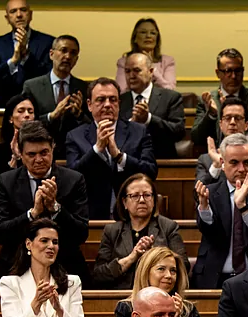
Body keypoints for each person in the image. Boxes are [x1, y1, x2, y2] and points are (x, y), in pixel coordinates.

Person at [0, 120, 89, 285]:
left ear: (53, 149)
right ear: (21, 155)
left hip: (65, 265)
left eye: (44, 152)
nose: (39, 159)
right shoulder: (6, 181)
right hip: (17, 266)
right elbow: (0, 233)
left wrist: (55, 208)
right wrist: (33, 213)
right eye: (31, 154)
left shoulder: (74, 180)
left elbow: (81, 233)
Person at [194, 132, 248, 289]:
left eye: (247, 162)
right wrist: (204, 208)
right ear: (222, 163)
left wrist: (244, 208)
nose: (241, 169)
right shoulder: (210, 193)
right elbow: (211, 234)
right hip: (214, 276)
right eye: (234, 162)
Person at [0, 218, 86, 317]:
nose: (51, 246)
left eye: (55, 242)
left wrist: (60, 311)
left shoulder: (72, 283)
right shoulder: (10, 284)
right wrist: (35, 305)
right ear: (28, 244)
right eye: (44, 240)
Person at [65, 79, 156, 223]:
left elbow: (151, 171)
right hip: (90, 216)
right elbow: (71, 178)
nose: (107, 104)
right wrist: (96, 150)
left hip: (131, 217)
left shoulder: (139, 131)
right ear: (89, 105)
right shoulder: (75, 136)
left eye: (112, 100)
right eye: (100, 100)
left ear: (119, 103)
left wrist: (119, 156)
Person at [94, 173, 186, 289]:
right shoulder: (112, 231)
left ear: (153, 200)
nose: (142, 200)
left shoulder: (168, 227)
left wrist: (152, 255)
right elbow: (99, 275)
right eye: (135, 196)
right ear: (124, 202)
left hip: (158, 296)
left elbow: (183, 266)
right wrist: (131, 258)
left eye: (147, 195)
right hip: (121, 297)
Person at [113, 248, 201, 317]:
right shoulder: (127, 307)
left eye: (173, 270)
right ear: (146, 272)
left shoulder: (188, 309)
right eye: (161, 269)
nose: (169, 275)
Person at [0, 0, 54, 109]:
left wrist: (26, 56)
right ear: (7, 18)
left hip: (38, 108)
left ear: (30, 15)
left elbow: (49, 77)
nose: (19, 15)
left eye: (23, 10)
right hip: (5, 108)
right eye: (13, 11)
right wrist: (12, 61)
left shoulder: (48, 42)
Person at [190, 48, 248, 146]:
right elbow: (196, 138)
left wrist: (238, 117)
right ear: (218, 73)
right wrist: (212, 114)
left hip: (246, 153)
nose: (234, 76)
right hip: (216, 154)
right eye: (228, 71)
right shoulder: (207, 100)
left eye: (238, 71)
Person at [21, 35, 88, 144]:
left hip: (73, 150)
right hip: (40, 147)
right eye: (63, 50)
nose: (68, 56)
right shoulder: (32, 86)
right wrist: (51, 116)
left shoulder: (83, 88)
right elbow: (25, 123)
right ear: (51, 54)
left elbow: (92, 125)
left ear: (76, 59)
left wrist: (79, 115)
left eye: (73, 53)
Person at [195, 97, 248, 187]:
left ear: (246, 125)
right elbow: (198, 196)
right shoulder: (206, 160)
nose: (232, 122)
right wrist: (216, 166)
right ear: (220, 125)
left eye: (238, 118)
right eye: (227, 118)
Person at [120, 52, 185, 160]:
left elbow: (178, 132)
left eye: (137, 70)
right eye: (127, 71)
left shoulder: (170, 97)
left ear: (151, 72)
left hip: (161, 162)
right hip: (127, 163)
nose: (131, 76)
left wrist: (149, 119)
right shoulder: (119, 100)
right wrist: (131, 123)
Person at [116, 18, 176, 91]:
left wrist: (152, 69)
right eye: (143, 32)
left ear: (157, 39)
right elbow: (121, 92)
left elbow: (170, 90)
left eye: (153, 33)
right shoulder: (123, 62)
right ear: (135, 38)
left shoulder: (168, 61)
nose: (148, 36)